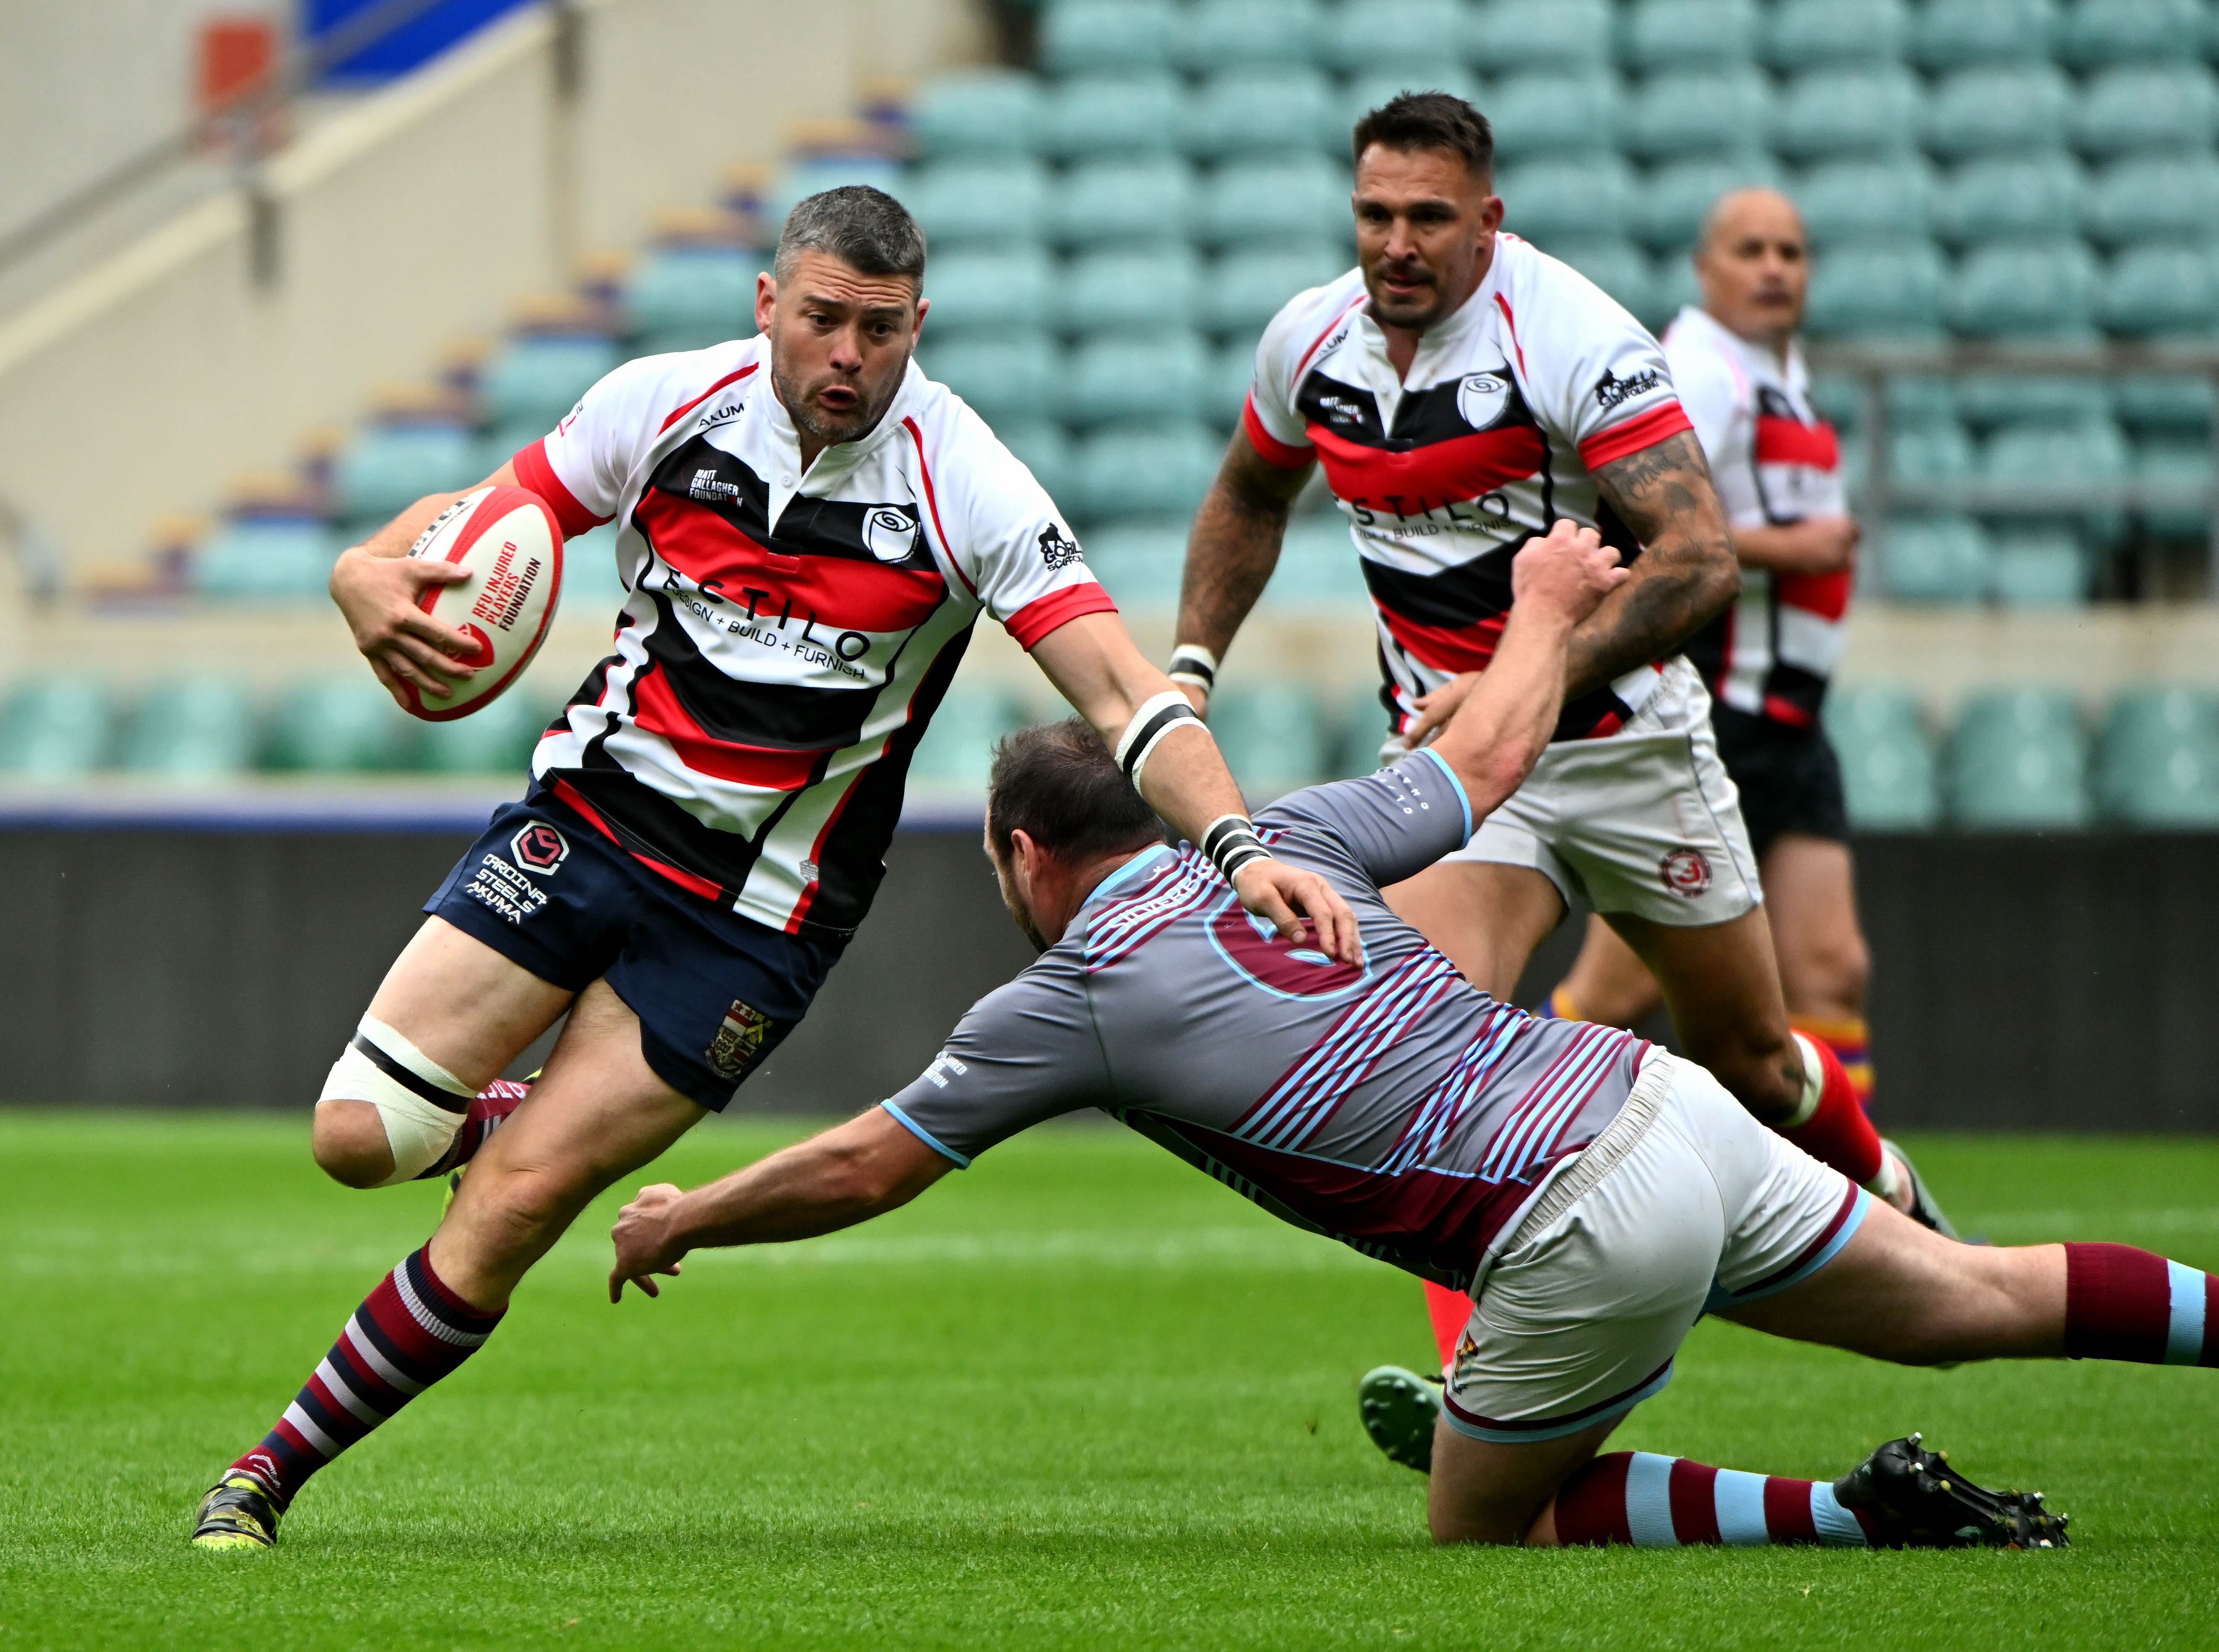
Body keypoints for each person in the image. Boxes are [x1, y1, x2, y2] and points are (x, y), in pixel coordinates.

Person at [606, 520, 2195, 1552]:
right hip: (1660, 1098)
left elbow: (867, 1163)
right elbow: (1491, 758)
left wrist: (689, 1213)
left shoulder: (1074, 986)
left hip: (1576, 1218)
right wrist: (1541, 606)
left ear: (1024, 855)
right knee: (1977, 1297)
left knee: (1479, 1519)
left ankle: (1855, 1515)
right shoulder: (1291, 833)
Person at [188, 186, 1356, 1549]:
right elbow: (490, 514)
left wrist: (1235, 844)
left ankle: (260, 1478)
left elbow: (1118, 690)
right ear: (767, 304)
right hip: (587, 824)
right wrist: (362, 564)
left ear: (918, 322)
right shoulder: (662, 405)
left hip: (756, 919)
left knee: (515, 1210)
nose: (847, 354)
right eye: (821, 319)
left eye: (880, 328)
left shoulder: (964, 478)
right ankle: (514, 1114)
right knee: (357, 1140)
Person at [1162, 91, 1946, 1414]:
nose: (1395, 244)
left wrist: (1519, 677)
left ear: (1488, 220)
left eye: (1427, 218)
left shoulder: (1573, 335)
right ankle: (1477, 1382)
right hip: (1463, 780)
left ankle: (1895, 1197)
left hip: (1629, 751)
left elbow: (1697, 561)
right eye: (1373, 215)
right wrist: (1189, 668)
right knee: (1411, 1054)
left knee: (1752, 1059)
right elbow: (1249, 489)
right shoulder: (1309, 341)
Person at [1537, 190, 1884, 1158]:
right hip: (1722, 708)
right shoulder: (1700, 366)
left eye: (1790, 251)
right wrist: (1796, 547)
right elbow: (1658, 528)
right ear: (1705, 269)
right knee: (1617, 991)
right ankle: (1518, 1154)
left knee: (1830, 969)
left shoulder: (1779, 370)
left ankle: (1856, 1214)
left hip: (1791, 719)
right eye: (1750, 250)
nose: (1774, 268)